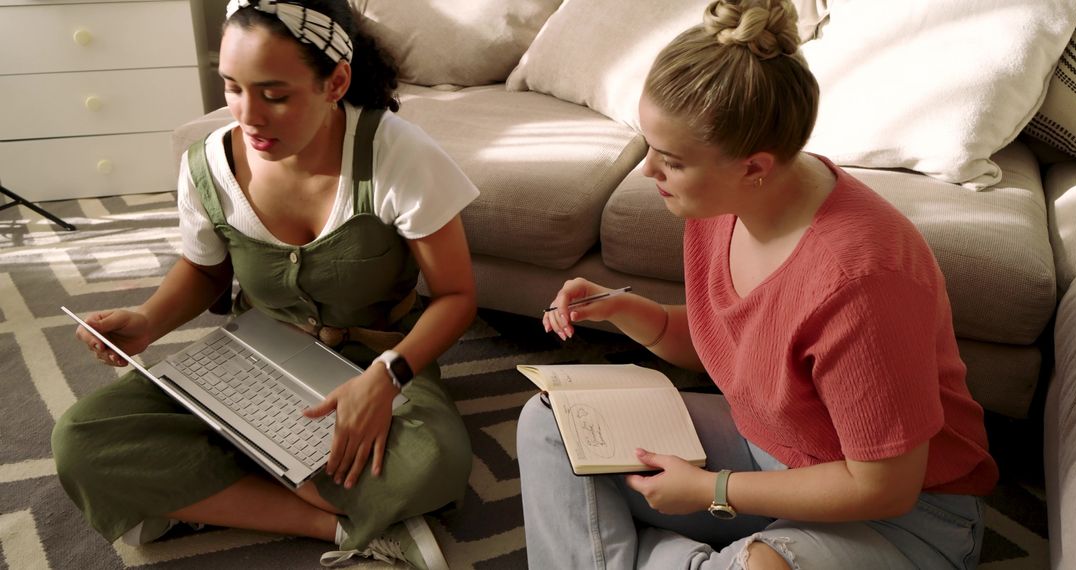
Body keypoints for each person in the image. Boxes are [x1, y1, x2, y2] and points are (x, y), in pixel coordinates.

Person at [517, 0, 999, 568]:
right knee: (555, 420)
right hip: (767, 452)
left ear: (753, 166)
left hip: (904, 516)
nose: (647, 171)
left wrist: (712, 490)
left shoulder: (862, 280)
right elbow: (745, 351)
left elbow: (885, 486)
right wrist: (629, 310)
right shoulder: (723, 203)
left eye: (669, 160)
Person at [50, 0, 478, 568]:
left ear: (336, 82)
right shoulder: (209, 162)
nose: (248, 115)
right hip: (253, 358)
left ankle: (198, 488)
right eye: (231, 88)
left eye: (275, 95)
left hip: (376, 362)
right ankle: (332, 525)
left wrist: (388, 376)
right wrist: (149, 320)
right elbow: (206, 271)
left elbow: (456, 296)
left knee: (433, 461)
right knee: (80, 439)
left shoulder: (397, 155)